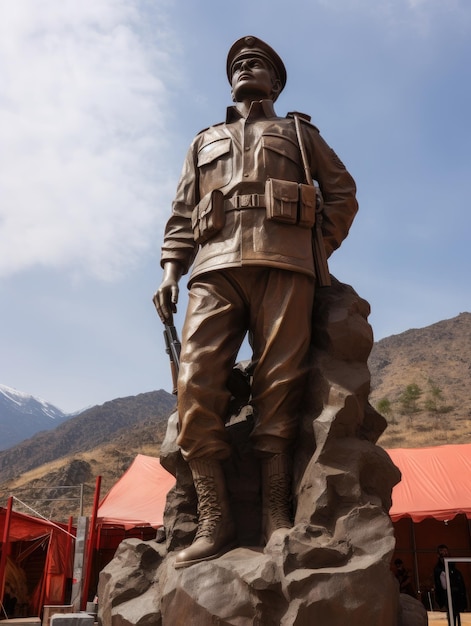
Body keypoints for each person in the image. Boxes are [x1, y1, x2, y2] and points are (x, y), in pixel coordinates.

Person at [153, 35, 358, 568]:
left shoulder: (298, 133)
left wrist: (317, 245)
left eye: (258, 63)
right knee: (195, 381)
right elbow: (181, 213)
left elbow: (342, 193)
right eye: (239, 64)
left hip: (286, 266)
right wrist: (171, 270)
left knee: (280, 382)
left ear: (276, 81)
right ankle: (213, 519)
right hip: (215, 267)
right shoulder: (203, 142)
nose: (247, 67)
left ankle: (275, 510)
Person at [433, 544, 467, 626]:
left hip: (456, 595)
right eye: (442, 552)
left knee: (457, 614)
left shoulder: (454, 569)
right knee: (451, 615)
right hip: (447, 596)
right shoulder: (438, 569)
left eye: (445, 551)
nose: (444, 553)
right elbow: (441, 584)